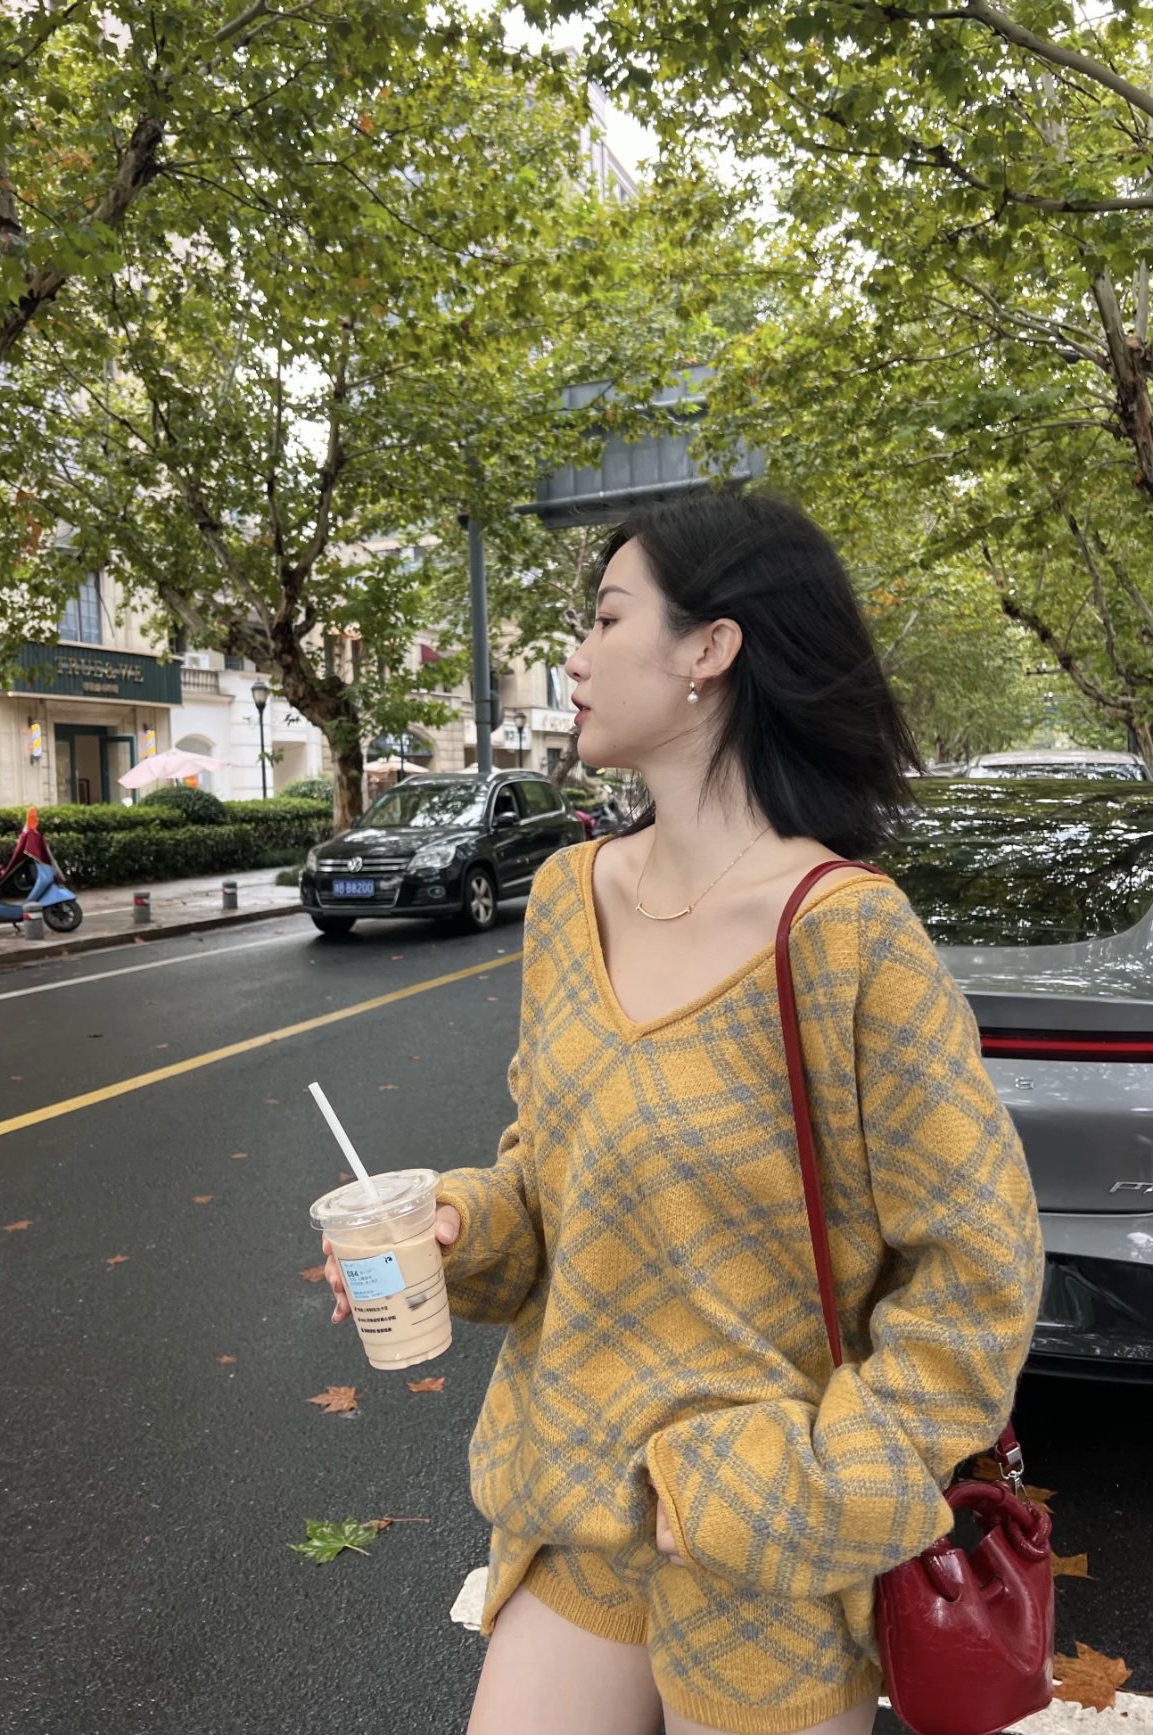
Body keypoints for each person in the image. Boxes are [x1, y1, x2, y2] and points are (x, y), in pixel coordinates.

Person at [322, 490, 1045, 1735]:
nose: (576, 656)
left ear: (711, 648)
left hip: (767, 1555)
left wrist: (811, 1486)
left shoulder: (847, 935)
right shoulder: (566, 898)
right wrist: (457, 1227)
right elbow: (544, 1181)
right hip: (577, 1507)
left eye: (608, 618)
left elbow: (979, 1273)